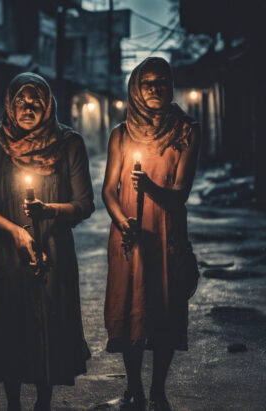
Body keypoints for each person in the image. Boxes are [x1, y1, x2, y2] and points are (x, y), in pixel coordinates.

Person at [0, 72, 94, 411]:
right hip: (7, 251)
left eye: (35, 101)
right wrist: (16, 231)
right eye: (20, 101)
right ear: (10, 105)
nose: (28, 107)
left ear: (48, 103)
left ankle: (44, 402)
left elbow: (84, 204)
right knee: (10, 324)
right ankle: (13, 403)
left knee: (49, 326)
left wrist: (49, 210)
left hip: (53, 250)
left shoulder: (70, 144)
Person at [102, 57, 200, 411]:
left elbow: (182, 194)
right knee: (131, 309)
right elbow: (109, 190)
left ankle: (158, 390)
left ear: (171, 86)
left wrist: (150, 188)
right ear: (136, 88)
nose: (155, 89)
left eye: (162, 82)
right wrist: (122, 221)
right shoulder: (121, 133)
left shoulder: (186, 131)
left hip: (167, 233)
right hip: (130, 234)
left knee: (165, 309)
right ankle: (134, 389)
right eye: (148, 83)